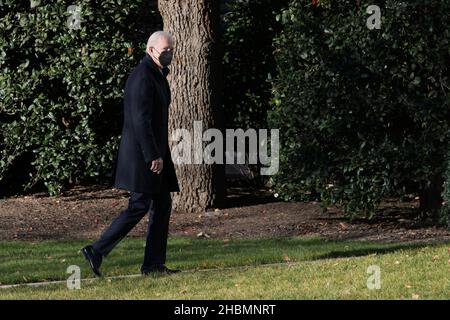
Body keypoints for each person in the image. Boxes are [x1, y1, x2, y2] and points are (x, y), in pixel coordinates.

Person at [81, 31, 180, 277]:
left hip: (154, 152)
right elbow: (140, 121)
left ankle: (153, 264)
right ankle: (96, 250)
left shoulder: (157, 75)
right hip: (144, 155)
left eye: (171, 50)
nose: (168, 54)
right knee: (139, 206)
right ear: (151, 50)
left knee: (162, 204)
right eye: (165, 50)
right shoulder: (142, 77)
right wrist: (152, 156)